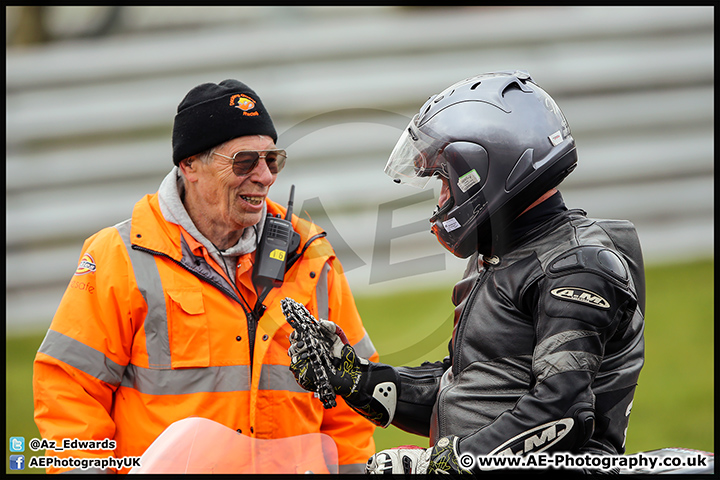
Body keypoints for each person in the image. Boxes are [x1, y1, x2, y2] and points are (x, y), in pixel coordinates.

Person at [288, 70, 646, 474]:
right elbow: (469, 390)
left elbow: (562, 413)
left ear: (486, 169)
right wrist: (356, 378)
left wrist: (444, 464)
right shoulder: (500, 259)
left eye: (444, 179)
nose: (442, 199)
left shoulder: (575, 266)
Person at [33, 79, 378, 474]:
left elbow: (353, 387)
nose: (265, 176)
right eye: (245, 161)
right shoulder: (119, 256)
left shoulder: (310, 254)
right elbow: (69, 388)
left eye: (272, 160)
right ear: (189, 165)